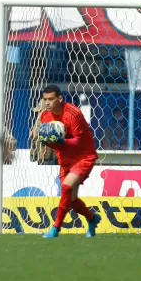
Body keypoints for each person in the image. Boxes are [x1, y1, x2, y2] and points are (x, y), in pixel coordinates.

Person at [38, 84, 101, 238]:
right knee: (71, 200)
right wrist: (47, 141)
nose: (47, 103)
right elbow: (53, 142)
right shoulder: (45, 117)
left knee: (66, 187)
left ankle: (55, 229)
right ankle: (92, 219)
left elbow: (79, 141)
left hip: (83, 156)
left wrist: (61, 142)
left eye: (51, 99)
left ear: (60, 98)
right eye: (45, 99)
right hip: (65, 159)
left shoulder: (73, 113)